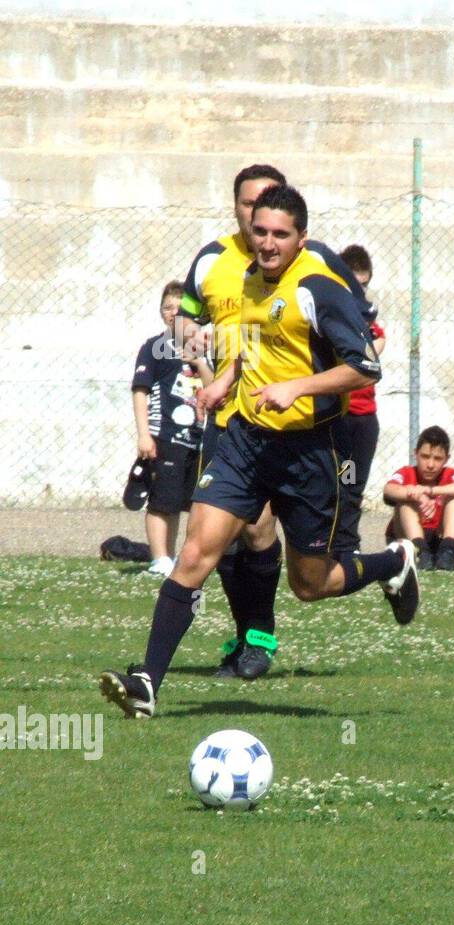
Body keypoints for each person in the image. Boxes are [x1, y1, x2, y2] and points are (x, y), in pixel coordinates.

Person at [99, 184, 419, 720]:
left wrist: (299, 387)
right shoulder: (248, 279)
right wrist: (224, 382)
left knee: (310, 583)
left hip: (308, 454)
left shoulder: (318, 286)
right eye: (261, 231)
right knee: (196, 554)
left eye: (280, 234)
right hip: (246, 443)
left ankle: (393, 562)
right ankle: (147, 684)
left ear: (301, 238)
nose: (267, 242)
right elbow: (257, 348)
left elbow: (366, 366)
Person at [173, 163, 372, 681]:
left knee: (265, 540)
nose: (260, 227)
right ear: (237, 206)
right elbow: (182, 317)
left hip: (298, 427)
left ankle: (257, 642)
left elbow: (358, 328)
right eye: (248, 206)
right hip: (230, 418)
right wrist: (201, 357)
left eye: (270, 215)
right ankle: (248, 642)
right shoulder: (214, 260)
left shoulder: (312, 261)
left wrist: (309, 382)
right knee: (219, 540)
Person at [125, 281, 205, 575]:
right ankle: (161, 559)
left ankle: (175, 558)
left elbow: (214, 387)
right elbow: (140, 390)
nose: (173, 313)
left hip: (195, 437)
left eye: (179, 308)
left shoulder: (202, 348)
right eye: (167, 307)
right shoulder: (154, 348)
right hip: (166, 435)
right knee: (162, 500)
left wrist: (198, 360)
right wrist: (144, 434)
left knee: (185, 502)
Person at [338, 244, 386, 548]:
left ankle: (348, 541)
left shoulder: (368, 319)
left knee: (355, 483)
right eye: (355, 284)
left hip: (364, 417)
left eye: (365, 284)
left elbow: (377, 344)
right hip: (339, 416)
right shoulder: (335, 315)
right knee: (340, 481)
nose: (361, 291)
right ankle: (333, 540)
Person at [383, 425, 454, 570]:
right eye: (425, 457)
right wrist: (416, 495)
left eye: (438, 458)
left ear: (447, 459)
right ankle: (420, 552)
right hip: (409, 541)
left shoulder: (451, 474)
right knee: (405, 500)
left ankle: (448, 552)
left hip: (441, 537)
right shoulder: (406, 473)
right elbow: (389, 489)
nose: (430, 464)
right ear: (415, 454)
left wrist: (432, 490)